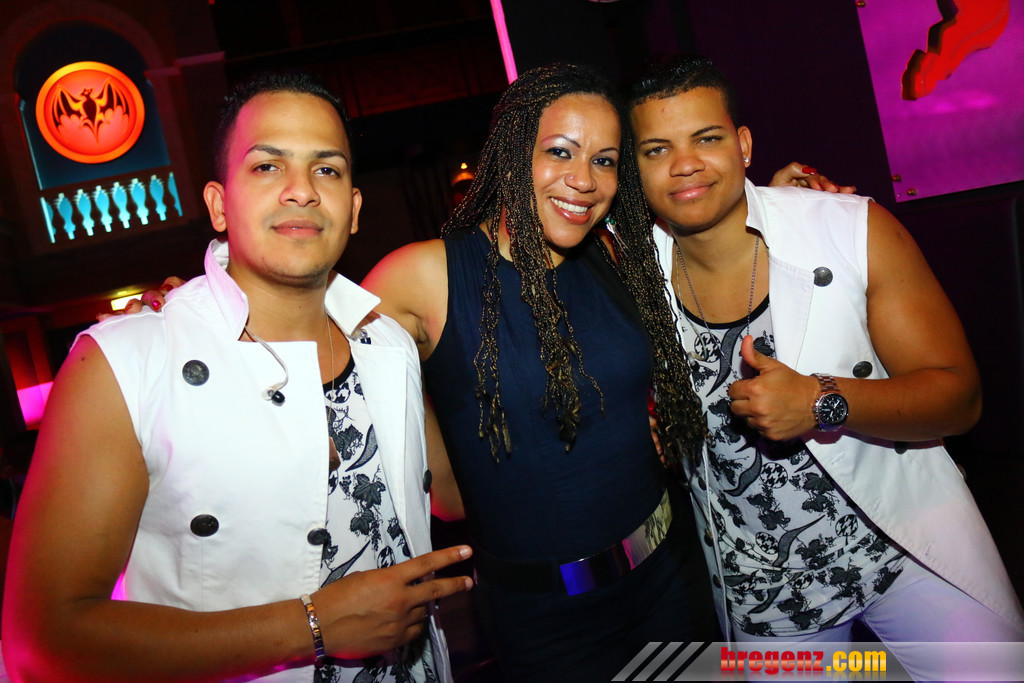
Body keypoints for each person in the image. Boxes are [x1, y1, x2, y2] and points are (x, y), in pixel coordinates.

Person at [1, 72, 474, 683]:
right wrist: (312, 627)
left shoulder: (387, 344)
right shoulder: (127, 361)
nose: (302, 190)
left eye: (327, 169)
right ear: (219, 204)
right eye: (267, 166)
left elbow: (452, 495)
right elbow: (42, 641)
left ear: (354, 209)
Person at [626, 54, 1024, 673]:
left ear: (743, 144)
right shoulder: (629, 281)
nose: (685, 164)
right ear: (635, 168)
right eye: (657, 149)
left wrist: (820, 401)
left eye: (706, 138)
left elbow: (959, 398)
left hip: (907, 546)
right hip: (764, 594)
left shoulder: (847, 227)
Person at [362, 62, 717, 681]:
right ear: (511, 152)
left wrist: (786, 200)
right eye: (560, 151)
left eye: (604, 160)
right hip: (546, 622)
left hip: (669, 574)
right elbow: (312, 367)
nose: (584, 179)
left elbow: (716, 237)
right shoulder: (424, 276)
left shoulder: (614, 250)